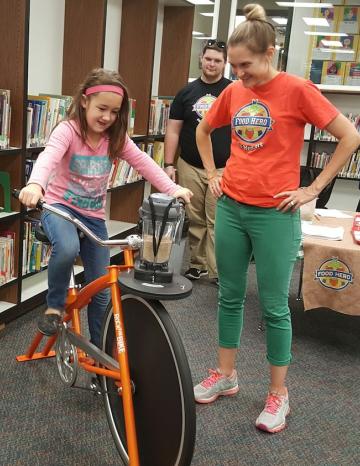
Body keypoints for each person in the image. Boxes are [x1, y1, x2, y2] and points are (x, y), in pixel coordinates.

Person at [194, 4, 360, 433]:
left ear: (270, 52)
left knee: (273, 308)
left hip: (275, 215)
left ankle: (278, 395)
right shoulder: (233, 92)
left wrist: (312, 189)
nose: (239, 74)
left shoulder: (297, 89)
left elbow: (350, 136)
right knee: (229, 296)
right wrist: (213, 173)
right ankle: (226, 374)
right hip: (231, 207)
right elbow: (202, 130)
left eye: (244, 65)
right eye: (233, 66)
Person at [19, 68, 192, 348]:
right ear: (85, 101)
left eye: (114, 112)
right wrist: (36, 185)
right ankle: (54, 306)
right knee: (66, 248)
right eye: (102, 109)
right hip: (60, 209)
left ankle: (100, 348)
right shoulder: (69, 130)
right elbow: (48, 157)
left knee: (102, 290)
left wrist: (173, 189)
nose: (107, 117)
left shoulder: (115, 138)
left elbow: (144, 163)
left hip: (93, 219)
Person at [164, 40, 231, 283]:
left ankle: (217, 272)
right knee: (195, 220)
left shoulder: (233, 91)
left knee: (218, 222)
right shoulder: (186, 93)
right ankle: (197, 265)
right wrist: (169, 164)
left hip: (223, 169)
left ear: (225, 64)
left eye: (218, 60)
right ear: (201, 59)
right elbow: (173, 131)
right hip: (189, 165)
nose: (212, 64)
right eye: (209, 59)